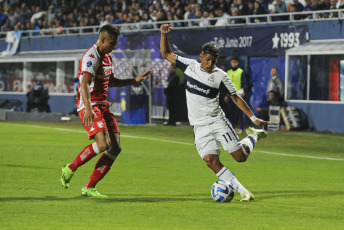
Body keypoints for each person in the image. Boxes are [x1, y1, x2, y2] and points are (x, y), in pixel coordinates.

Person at [160, 24, 270, 202]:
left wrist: (253, 118)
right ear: (201, 56)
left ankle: (254, 135)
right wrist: (163, 35)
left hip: (217, 122)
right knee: (211, 161)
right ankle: (243, 191)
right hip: (199, 127)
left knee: (240, 158)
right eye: (208, 59)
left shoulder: (220, 76)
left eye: (214, 60)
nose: (211, 64)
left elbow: (235, 98)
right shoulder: (190, 67)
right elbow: (166, 54)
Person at [60, 24, 151, 198]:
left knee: (115, 147)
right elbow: (84, 83)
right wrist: (88, 109)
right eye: (112, 43)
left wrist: (134, 80)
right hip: (90, 105)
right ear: (102, 40)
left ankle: (89, 186)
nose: (114, 46)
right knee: (103, 144)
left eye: (115, 43)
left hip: (103, 105)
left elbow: (111, 81)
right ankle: (70, 167)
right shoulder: (91, 56)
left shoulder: (108, 57)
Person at [223, 56, 251, 135]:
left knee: (239, 112)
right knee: (231, 113)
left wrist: (244, 91)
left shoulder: (241, 71)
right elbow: (226, 84)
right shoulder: (228, 72)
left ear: (237, 63)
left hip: (238, 95)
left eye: (235, 62)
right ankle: (232, 128)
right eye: (232, 62)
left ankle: (241, 128)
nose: (233, 64)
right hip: (230, 95)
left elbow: (244, 82)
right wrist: (226, 95)